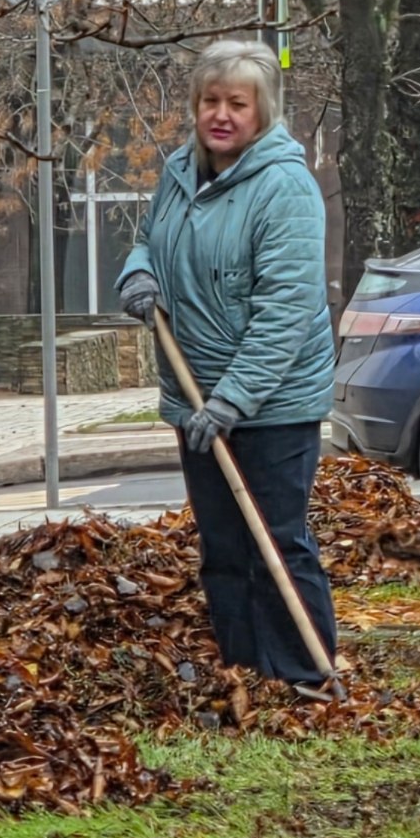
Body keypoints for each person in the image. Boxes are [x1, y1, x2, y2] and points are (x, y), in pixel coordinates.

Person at [117, 41, 339, 683]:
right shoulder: (181, 171)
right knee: (222, 547)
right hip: (195, 397)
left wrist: (232, 402)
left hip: (270, 403)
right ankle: (242, 670)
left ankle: (302, 673)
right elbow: (146, 243)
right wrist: (138, 277)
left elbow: (285, 314)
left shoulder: (285, 188)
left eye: (236, 103)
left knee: (275, 541)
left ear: (262, 111)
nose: (221, 115)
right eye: (210, 101)